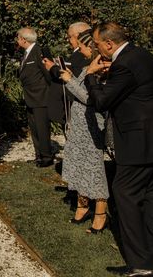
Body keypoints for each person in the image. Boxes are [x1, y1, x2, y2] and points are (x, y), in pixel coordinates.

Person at [86, 22, 153, 277]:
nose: (96, 49)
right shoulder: (142, 55)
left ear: (109, 44)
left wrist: (91, 76)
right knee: (150, 197)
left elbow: (101, 101)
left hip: (137, 144)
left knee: (124, 194)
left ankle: (142, 266)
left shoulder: (124, 64)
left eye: (97, 44)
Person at [44, 30, 109, 233]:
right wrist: (72, 77)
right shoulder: (90, 66)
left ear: (92, 47)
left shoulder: (104, 69)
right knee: (79, 167)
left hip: (92, 127)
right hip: (80, 127)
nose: (79, 51)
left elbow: (90, 99)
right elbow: (82, 88)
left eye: (82, 47)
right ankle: (82, 206)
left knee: (94, 170)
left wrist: (67, 80)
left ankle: (100, 214)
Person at [16, 27, 54, 167]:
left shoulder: (39, 51)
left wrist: (49, 94)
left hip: (41, 97)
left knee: (42, 128)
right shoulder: (26, 53)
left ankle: (46, 157)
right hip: (30, 97)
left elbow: (48, 73)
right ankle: (39, 155)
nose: (17, 40)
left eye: (18, 37)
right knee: (35, 128)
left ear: (23, 39)